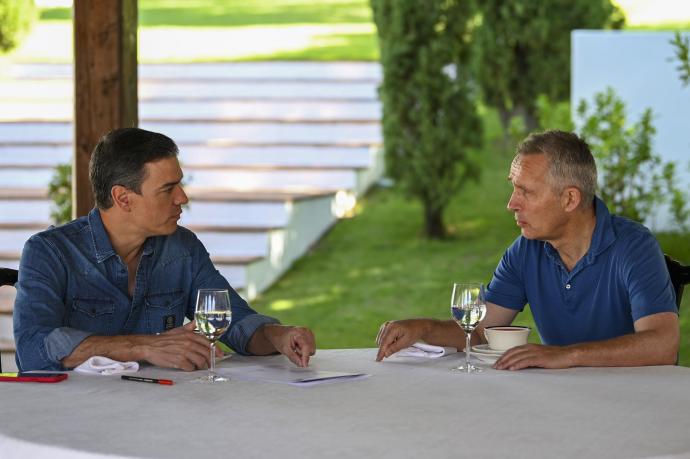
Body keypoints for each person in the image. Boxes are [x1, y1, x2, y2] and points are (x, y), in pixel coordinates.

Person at [13, 127, 316, 371]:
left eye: (179, 185)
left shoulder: (182, 248)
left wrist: (278, 336)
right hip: (72, 418)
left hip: (165, 410)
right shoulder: (50, 252)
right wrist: (146, 346)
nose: (182, 198)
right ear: (123, 198)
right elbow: (33, 351)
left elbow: (231, 322)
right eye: (167, 189)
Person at [376, 130, 679, 370]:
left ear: (570, 200)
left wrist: (564, 356)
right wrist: (423, 328)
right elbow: (481, 332)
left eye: (526, 191)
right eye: (513, 187)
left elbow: (663, 344)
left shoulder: (634, 246)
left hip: (634, 399)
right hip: (560, 398)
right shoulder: (525, 251)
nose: (511, 203)